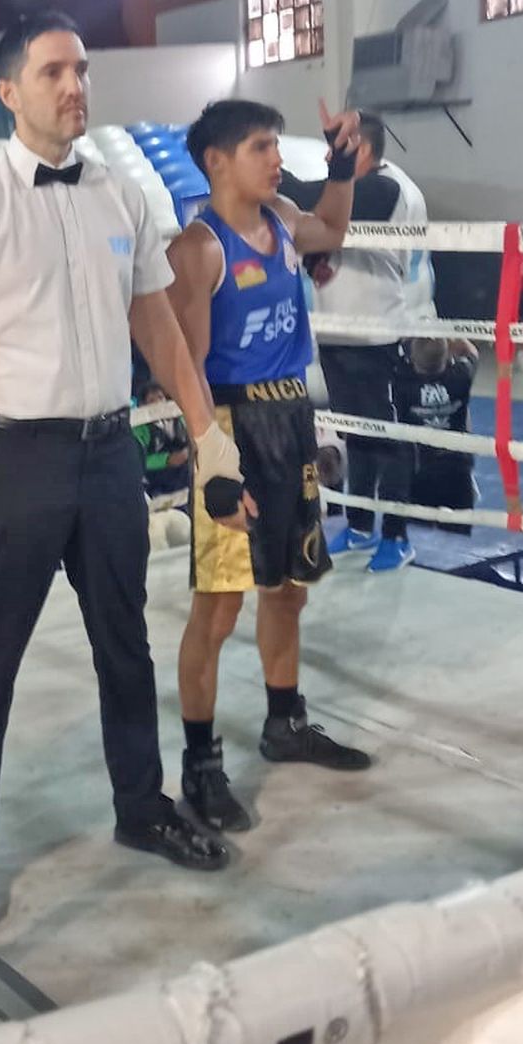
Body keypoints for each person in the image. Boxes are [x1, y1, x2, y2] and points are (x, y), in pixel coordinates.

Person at [0, 11, 248, 929]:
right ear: (10, 92)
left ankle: (141, 806)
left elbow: (154, 324)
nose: (75, 86)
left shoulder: (121, 192)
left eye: (81, 70)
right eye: (53, 73)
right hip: (14, 459)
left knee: (127, 644)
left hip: (109, 450)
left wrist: (210, 437)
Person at [161, 98, 373, 836]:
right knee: (218, 608)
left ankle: (286, 723)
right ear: (218, 160)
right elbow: (183, 364)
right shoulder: (199, 247)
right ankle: (200, 763)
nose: (276, 159)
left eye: (277, 145)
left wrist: (341, 168)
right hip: (230, 426)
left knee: (288, 591)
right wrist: (211, 459)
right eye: (261, 146)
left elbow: (335, 227)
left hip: (291, 419)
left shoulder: (283, 214)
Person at [305, 111, 419, 573]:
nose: (330, 156)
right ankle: (358, 524)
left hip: (376, 332)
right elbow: (317, 234)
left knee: (385, 437)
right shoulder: (349, 189)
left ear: (362, 148)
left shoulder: (389, 186)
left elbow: (312, 201)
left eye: (338, 146)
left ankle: (396, 535)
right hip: (336, 328)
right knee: (355, 433)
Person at [394, 338, 478, 531]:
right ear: (447, 355)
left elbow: (390, 358)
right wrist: (451, 340)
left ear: (413, 358)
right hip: (458, 469)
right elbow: (471, 351)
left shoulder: (403, 382)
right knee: (458, 537)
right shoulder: (461, 376)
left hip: (420, 469)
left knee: (421, 535)